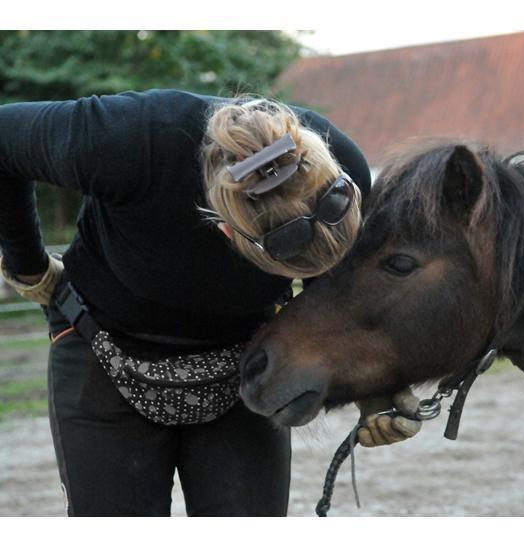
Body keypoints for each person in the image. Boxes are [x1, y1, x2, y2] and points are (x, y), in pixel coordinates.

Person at [0, 89, 421, 516]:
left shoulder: (343, 163)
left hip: (245, 365)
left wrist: (371, 383)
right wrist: (27, 266)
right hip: (105, 353)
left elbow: (333, 302)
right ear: (228, 234)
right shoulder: (127, 139)